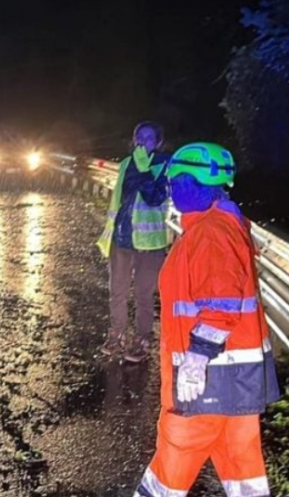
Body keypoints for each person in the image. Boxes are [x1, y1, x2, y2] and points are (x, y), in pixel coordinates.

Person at [133, 142, 280, 497]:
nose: (171, 191)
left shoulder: (211, 232)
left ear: (192, 184)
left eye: (175, 183)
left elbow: (221, 304)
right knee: (241, 465)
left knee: (173, 462)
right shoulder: (220, 225)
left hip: (207, 380)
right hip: (235, 381)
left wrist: (197, 359)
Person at [96, 121, 171, 363]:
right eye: (140, 137)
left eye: (149, 138)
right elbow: (119, 198)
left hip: (150, 243)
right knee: (117, 291)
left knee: (143, 294)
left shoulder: (164, 164)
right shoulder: (126, 163)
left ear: (158, 142)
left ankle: (141, 339)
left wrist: (144, 169)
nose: (143, 142)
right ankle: (116, 334)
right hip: (121, 237)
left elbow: (155, 197)